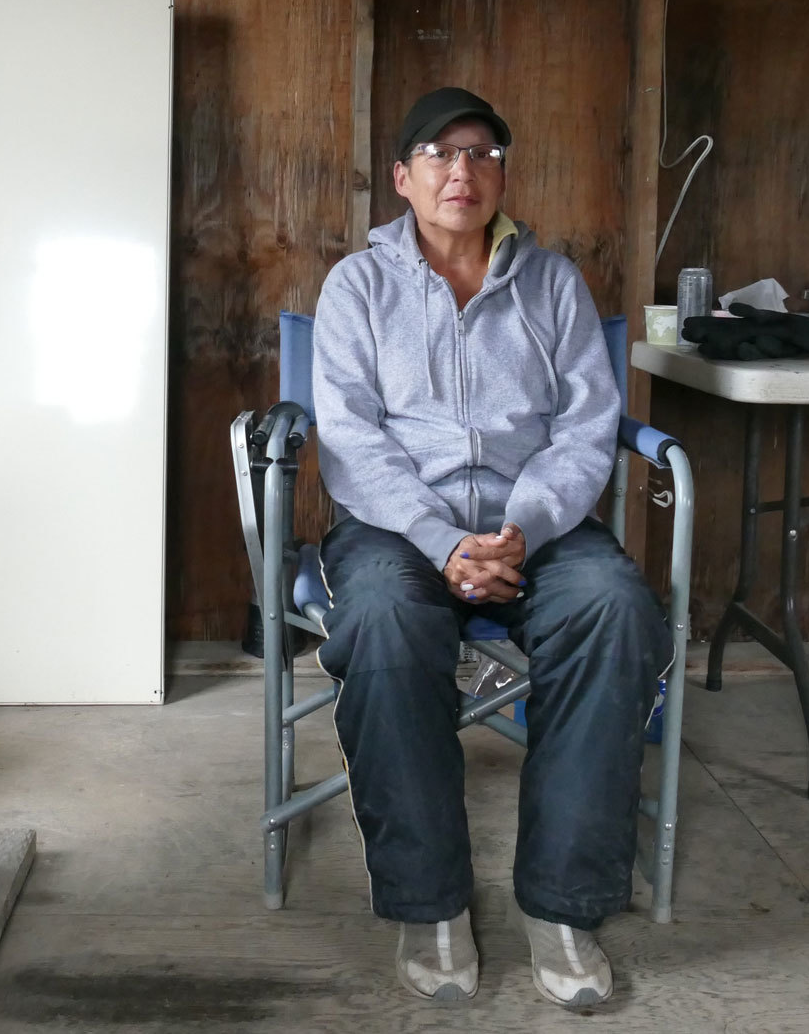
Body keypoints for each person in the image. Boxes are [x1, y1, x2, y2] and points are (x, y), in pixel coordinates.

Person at [310, 86, 673, 1008]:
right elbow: (350, 437)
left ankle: (562, 904)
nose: (459, 170)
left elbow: (590, 427)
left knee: (615, 606)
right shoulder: (360, 285)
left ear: (503, 171)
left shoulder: (553, 284)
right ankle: (431, 904)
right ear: (402, 177)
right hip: (399, 530)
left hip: (536, 529)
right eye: (436, 153)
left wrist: (521, 526)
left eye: (479, 152)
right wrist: (442, 540)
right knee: (386, 620)